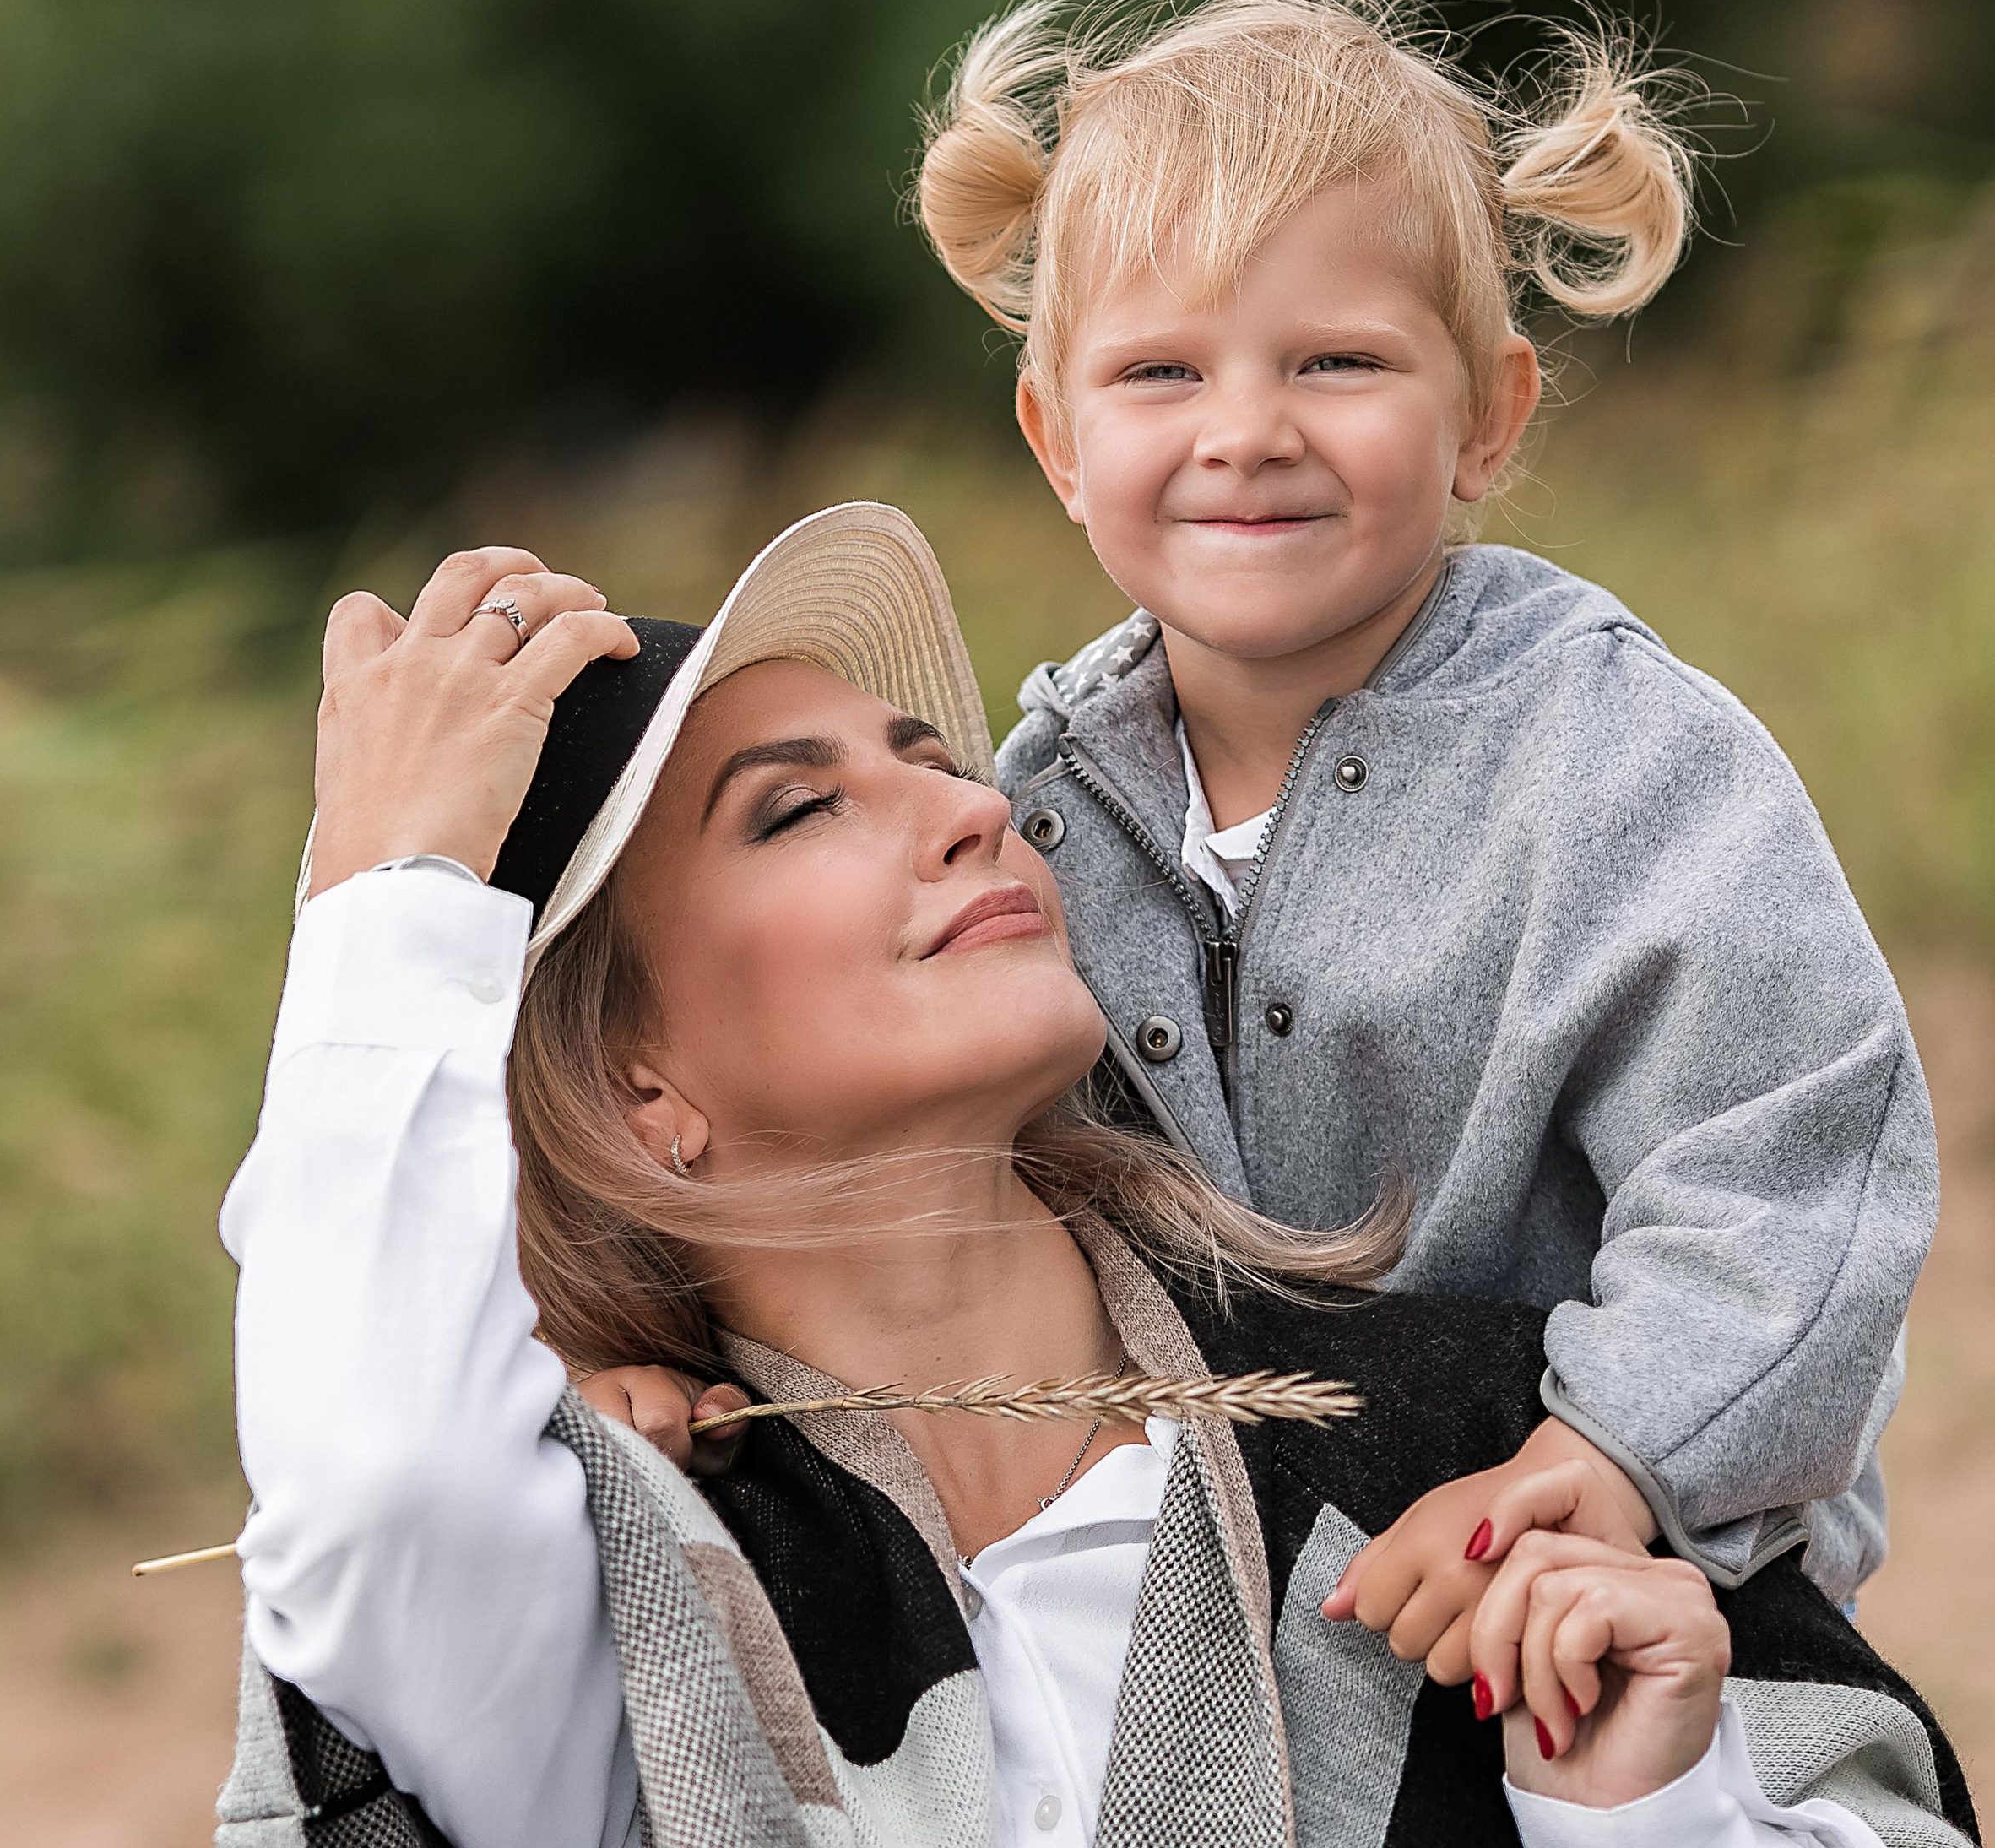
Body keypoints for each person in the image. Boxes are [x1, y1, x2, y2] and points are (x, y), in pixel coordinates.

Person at [215, 507, 1974, 1848]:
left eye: (931, 759)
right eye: (799, 809)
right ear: (633, 1083)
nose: (975, 809)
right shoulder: (623, 1584)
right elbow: (372, 1474)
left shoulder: (1487, 1458)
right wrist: (389, 882)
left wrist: (1642, 1812)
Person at [903, 0, 1936, 1657]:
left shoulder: (1621, 759)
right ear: (1057, 438)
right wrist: (660, 1346)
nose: (1246, 432)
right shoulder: (1030, 812)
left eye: (1337, 360)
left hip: (1632, 1579)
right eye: (1159, 370)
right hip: (1237, 1620)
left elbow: (1788, 1159)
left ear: (1487, 415)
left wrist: (1603, 1460)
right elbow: (878, 1164)